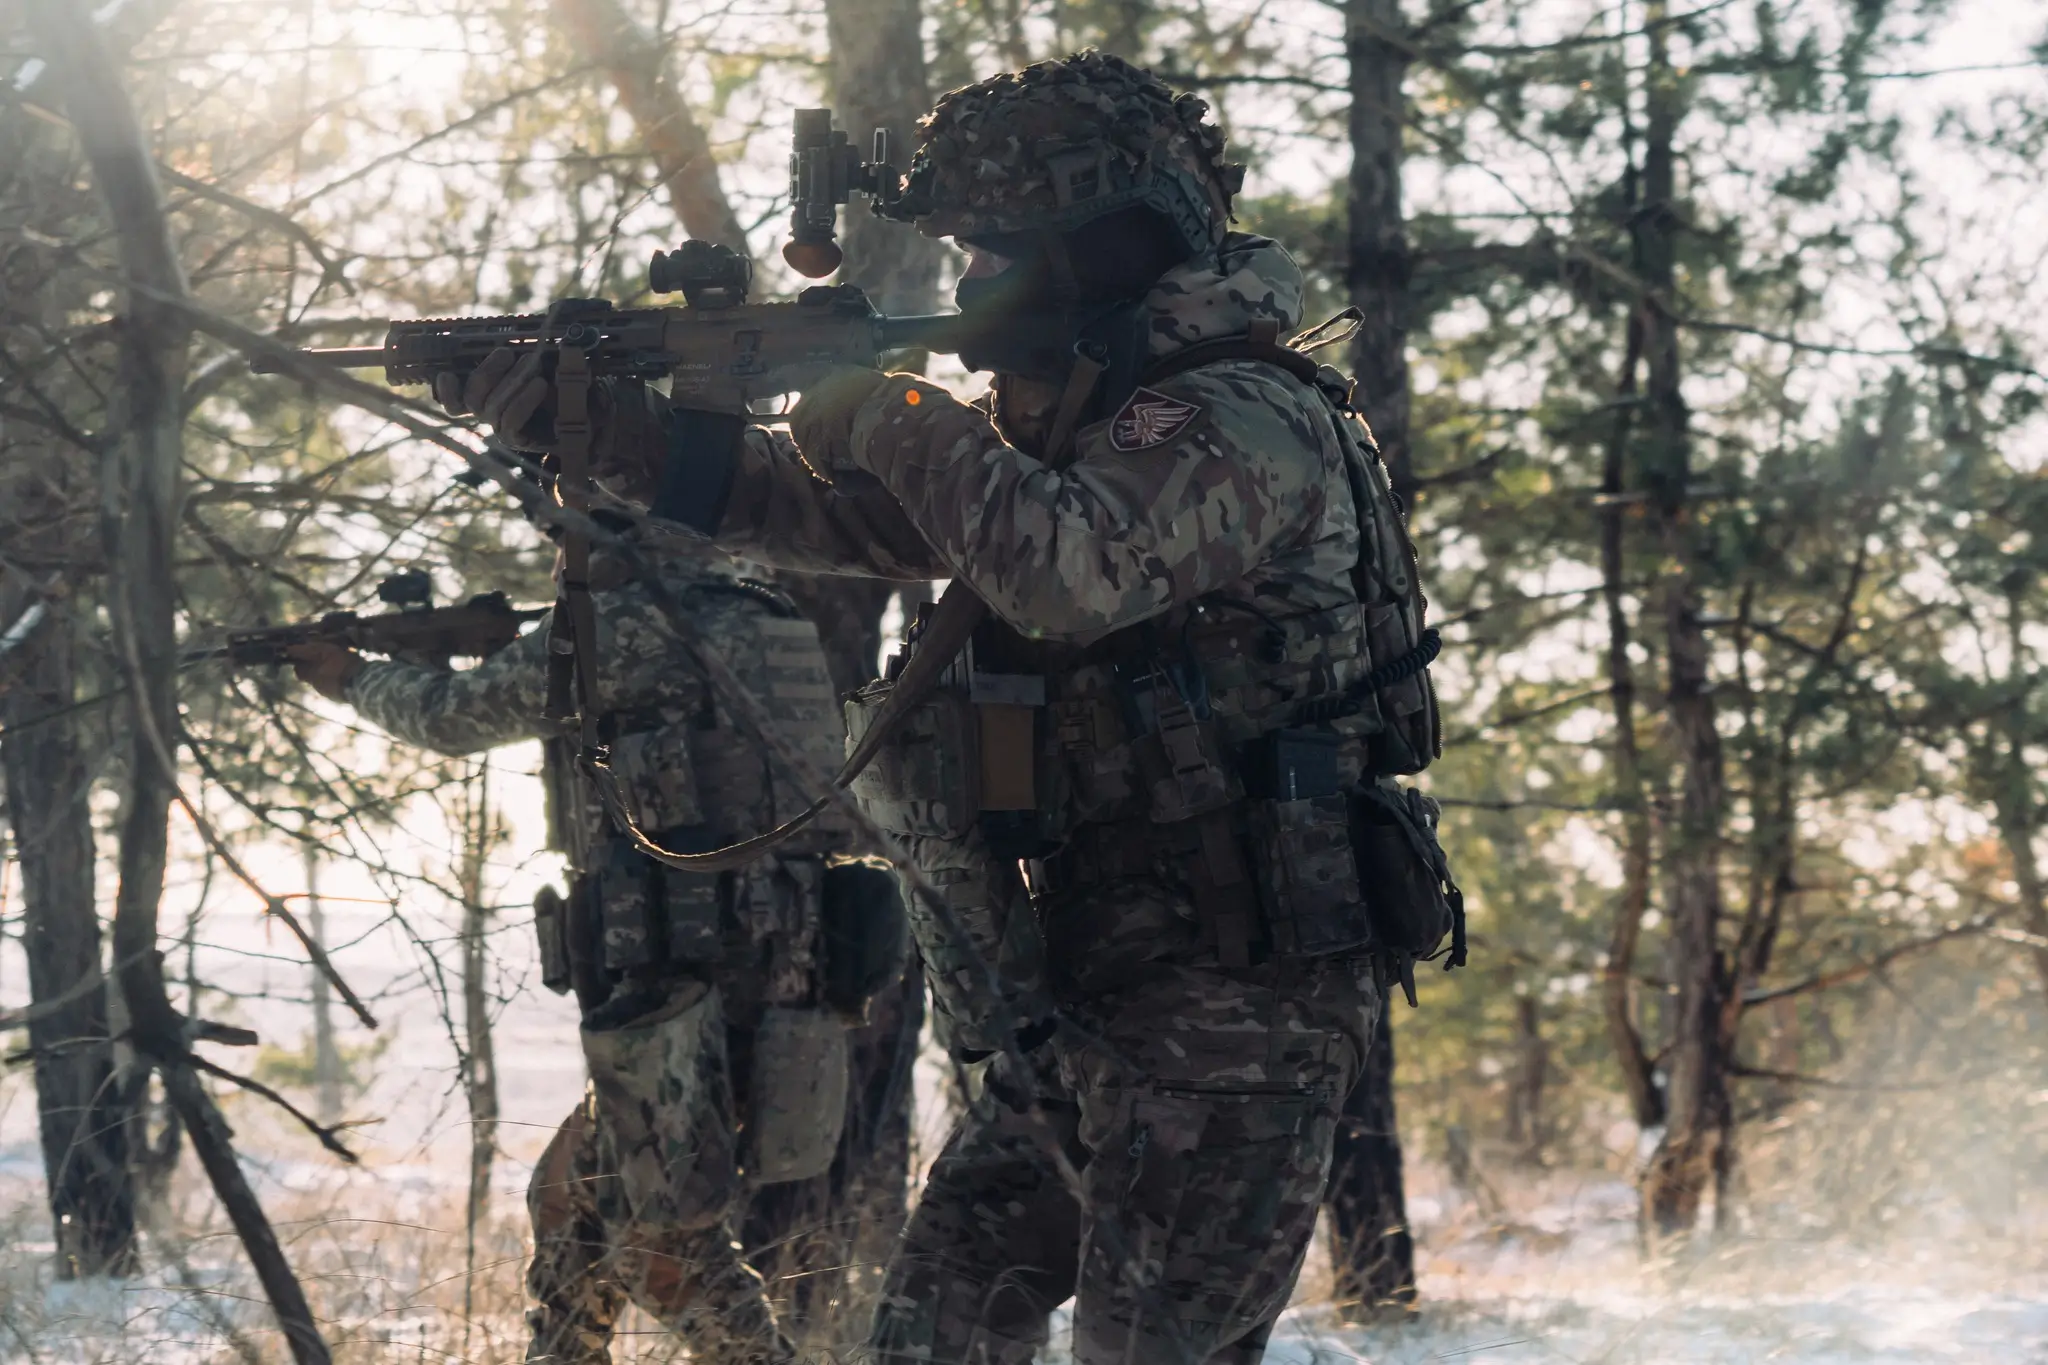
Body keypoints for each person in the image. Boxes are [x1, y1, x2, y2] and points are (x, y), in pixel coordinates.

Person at [437, 50, 1459, 1365]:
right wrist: (602, 436)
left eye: (995, 254)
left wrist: (894, 410)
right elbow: (831, 515)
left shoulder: (1246, 416)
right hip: (1081, 999)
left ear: (1101, 246)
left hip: (1234, 1012)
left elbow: (1066, 565)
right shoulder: (1072, 427)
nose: (971, 287)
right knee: (927, 1337)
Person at [285, 543, 904, 1365]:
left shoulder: (620, 623)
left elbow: (451, 717)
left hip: (686, 986)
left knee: (668, 1247)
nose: (553, 552)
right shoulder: (765, 616)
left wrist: (350, 676)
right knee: (572, 1200)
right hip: (776, 966)